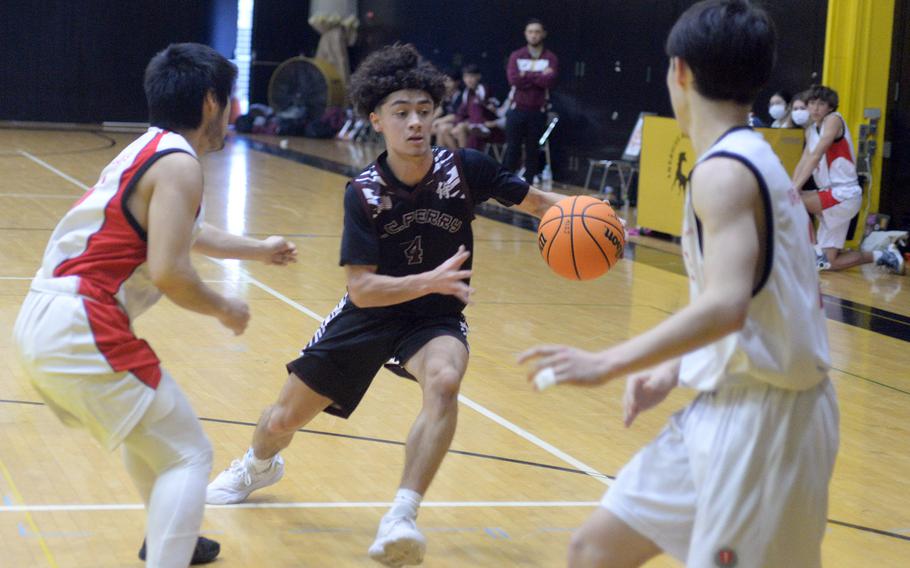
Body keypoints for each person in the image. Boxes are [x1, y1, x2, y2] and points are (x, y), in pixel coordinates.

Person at [205, 43, 565, 566]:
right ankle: (257, 466)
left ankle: (401, 515)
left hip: (434, 318)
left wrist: (590, 213)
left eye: (423, 111)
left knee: (444, 381)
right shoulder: (365, 192)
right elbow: (362, 290)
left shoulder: (466, 169)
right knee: (281, 419)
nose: (415, 122)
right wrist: (429, 278)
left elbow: (538, 204)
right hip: (369, 313)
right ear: (377, 119)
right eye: (401, 113)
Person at [520, 2, 840, 566]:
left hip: (769, 422)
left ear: (680, 72)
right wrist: (673, 368)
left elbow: (727, 307)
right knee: (593, 550)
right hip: (727, 403)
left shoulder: (725, 172)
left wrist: (607, 363)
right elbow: (755, 296)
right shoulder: (745, 159)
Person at [11, 43, 298, 567]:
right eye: (230, 101)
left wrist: (257, 249)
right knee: (190, 454)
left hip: (44, 319)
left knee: (154, 438)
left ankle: (174, 538)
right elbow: (170, 271)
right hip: (82, 322)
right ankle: (171, 550)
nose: (234, 112)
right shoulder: (180, 164)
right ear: (211, 101)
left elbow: (189, 231)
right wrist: (223, 308)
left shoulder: (151, 148)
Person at [791, 85, 904, 273]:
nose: (815, 108)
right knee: (828, 263)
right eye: (812, 103)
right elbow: (803, 162)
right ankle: (883, 255)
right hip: (832, 195)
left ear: (830, 107)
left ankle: (810, 248)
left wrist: (794, 190)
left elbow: (816, 155)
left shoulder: (833, 120)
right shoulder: (811, 130)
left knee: (791, 201)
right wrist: (792, 185)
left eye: (821, 104)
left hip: (843, 193)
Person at [503, 18, 558, 183]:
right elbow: (514, 80)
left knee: (533, 149)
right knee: (512, 148)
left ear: (543, 34)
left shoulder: (550, 58)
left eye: (537, 32)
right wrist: (539, 75)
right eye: (530, 32)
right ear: (525, 34)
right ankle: (504, 183)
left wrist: (525, 75)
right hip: (516, 110)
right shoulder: (516, 56)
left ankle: (528, 182)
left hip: (537, 111)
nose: (534, 35)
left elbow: (548, 81)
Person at [451, 63, 499, 149]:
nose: (468, 80)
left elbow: (486, 111)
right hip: (473, 125)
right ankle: (450, 159)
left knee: (461, 128)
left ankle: (463, 159)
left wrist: (464, 124)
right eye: (465, 77)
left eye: (471, 77)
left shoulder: (484, 90)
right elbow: (461, 112)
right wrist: (456, 124)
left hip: (488, 127)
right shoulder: (467, 92)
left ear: (478, 76)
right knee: (445, 129)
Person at [431, 67, 460, 148]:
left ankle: (454, 156)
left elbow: (455, 116)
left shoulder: (460, 96)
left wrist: (439, 121)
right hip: (446, 123)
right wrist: (431, 120)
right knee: (427, 128)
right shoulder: (447, 96)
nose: (446, 84)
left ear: (457, 82)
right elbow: (441, 109)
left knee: (442, 129)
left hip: (458, 123)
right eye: (445, 81)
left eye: (449, 81)